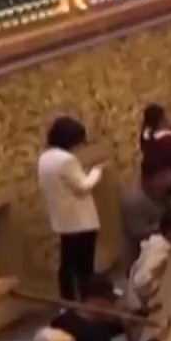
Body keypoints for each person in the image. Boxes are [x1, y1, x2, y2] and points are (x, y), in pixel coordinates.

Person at [36, 116, 105, 301]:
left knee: (67, 264)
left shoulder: (44, 158)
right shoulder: (66, 159)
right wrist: (96, 172)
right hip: (81, 221)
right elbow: (83, 186)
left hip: (62, 220)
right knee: (84, 266)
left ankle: (68, 300)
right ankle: (86, 299)